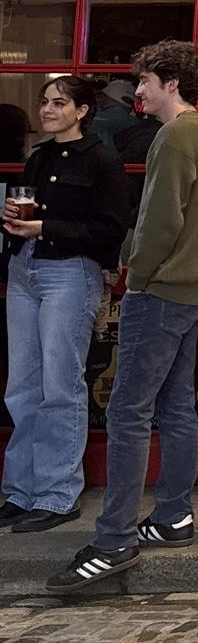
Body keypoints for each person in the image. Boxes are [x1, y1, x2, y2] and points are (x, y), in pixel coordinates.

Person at [46, 40, 198, 592]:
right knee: (176, 404)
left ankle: (113, 539)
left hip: (163, 288)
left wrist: (134, 277)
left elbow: (157, 222)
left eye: (145, 81)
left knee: (128, 412)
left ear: (171, 82)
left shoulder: (174, 136)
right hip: (197, 286)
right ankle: (173, 514)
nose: (139, 91)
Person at [1, 78, 129, 533]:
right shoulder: (38, 158)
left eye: (59, 103)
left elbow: (111, 229)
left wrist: (46, 228)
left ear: (82, 111)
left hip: (69, 273)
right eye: (44, 102)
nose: (48, 109)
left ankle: (57, 494)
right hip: (24, 271)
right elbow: (27, 212)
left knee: (60, 385)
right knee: (21, 385)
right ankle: (19, 490)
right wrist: (15, 225)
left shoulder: (103, 161)